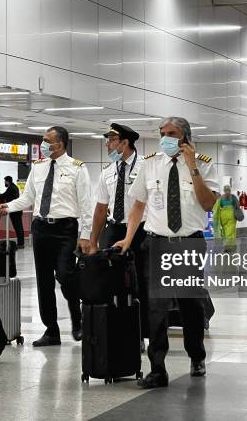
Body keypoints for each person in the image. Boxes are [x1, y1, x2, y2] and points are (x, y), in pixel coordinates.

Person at [114, 116, 218, 389]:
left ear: (186, 136)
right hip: (156, 243)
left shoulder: (205, 164)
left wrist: (193, 166)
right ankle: (157, 368)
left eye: (172, 133)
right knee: (155, 309)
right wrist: (127, 238)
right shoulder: (150, 164)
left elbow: (208, 204)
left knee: (190, 307)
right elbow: (138, 205)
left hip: (189, 244)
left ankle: (196, 356)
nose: (166, 137)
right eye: (162, 133)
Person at [0, 126, 92, 346]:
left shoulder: (78, 169)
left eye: (47, 140)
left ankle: (77, 318)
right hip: (41, 228)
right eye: (43, 140)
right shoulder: (38, 168)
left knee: (66, 275)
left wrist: (85, 235)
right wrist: (8, 206)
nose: (44, 144)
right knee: (44, 281)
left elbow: (86, 204)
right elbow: (28, 198)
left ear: (60, 144)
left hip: (66, 228)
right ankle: (51, 330)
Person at [88, 123, 148, 350]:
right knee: (110, 282)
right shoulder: (108, 171)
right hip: (113, 229)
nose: (107, 144)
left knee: (139, 282)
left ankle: (140, 334)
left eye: (111, 139)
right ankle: (114, 331)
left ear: (125, 142)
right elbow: (101, 209)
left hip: (140, 230)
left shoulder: (145, 167)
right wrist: (93, 240)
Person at [0, 176, 25, 248]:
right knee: (19, 227)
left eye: (5, 181)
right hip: (17, 210)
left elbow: (3, 195)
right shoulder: (14, 187)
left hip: (15, 211)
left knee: (18, 227)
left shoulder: (11, 188)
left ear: (8, 181)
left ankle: (20, 244)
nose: (4, 183)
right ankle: (21, 243)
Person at [213, 185, 238, 251]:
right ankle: (229, 246)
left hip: (223, 216)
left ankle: (227, 245)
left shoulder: (221, 198)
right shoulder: (233, 197)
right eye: (228, 190)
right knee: (231, 231)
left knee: (224, 230)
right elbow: (237, 205)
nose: (227, 191)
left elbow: (217, 207)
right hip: (231, 215)